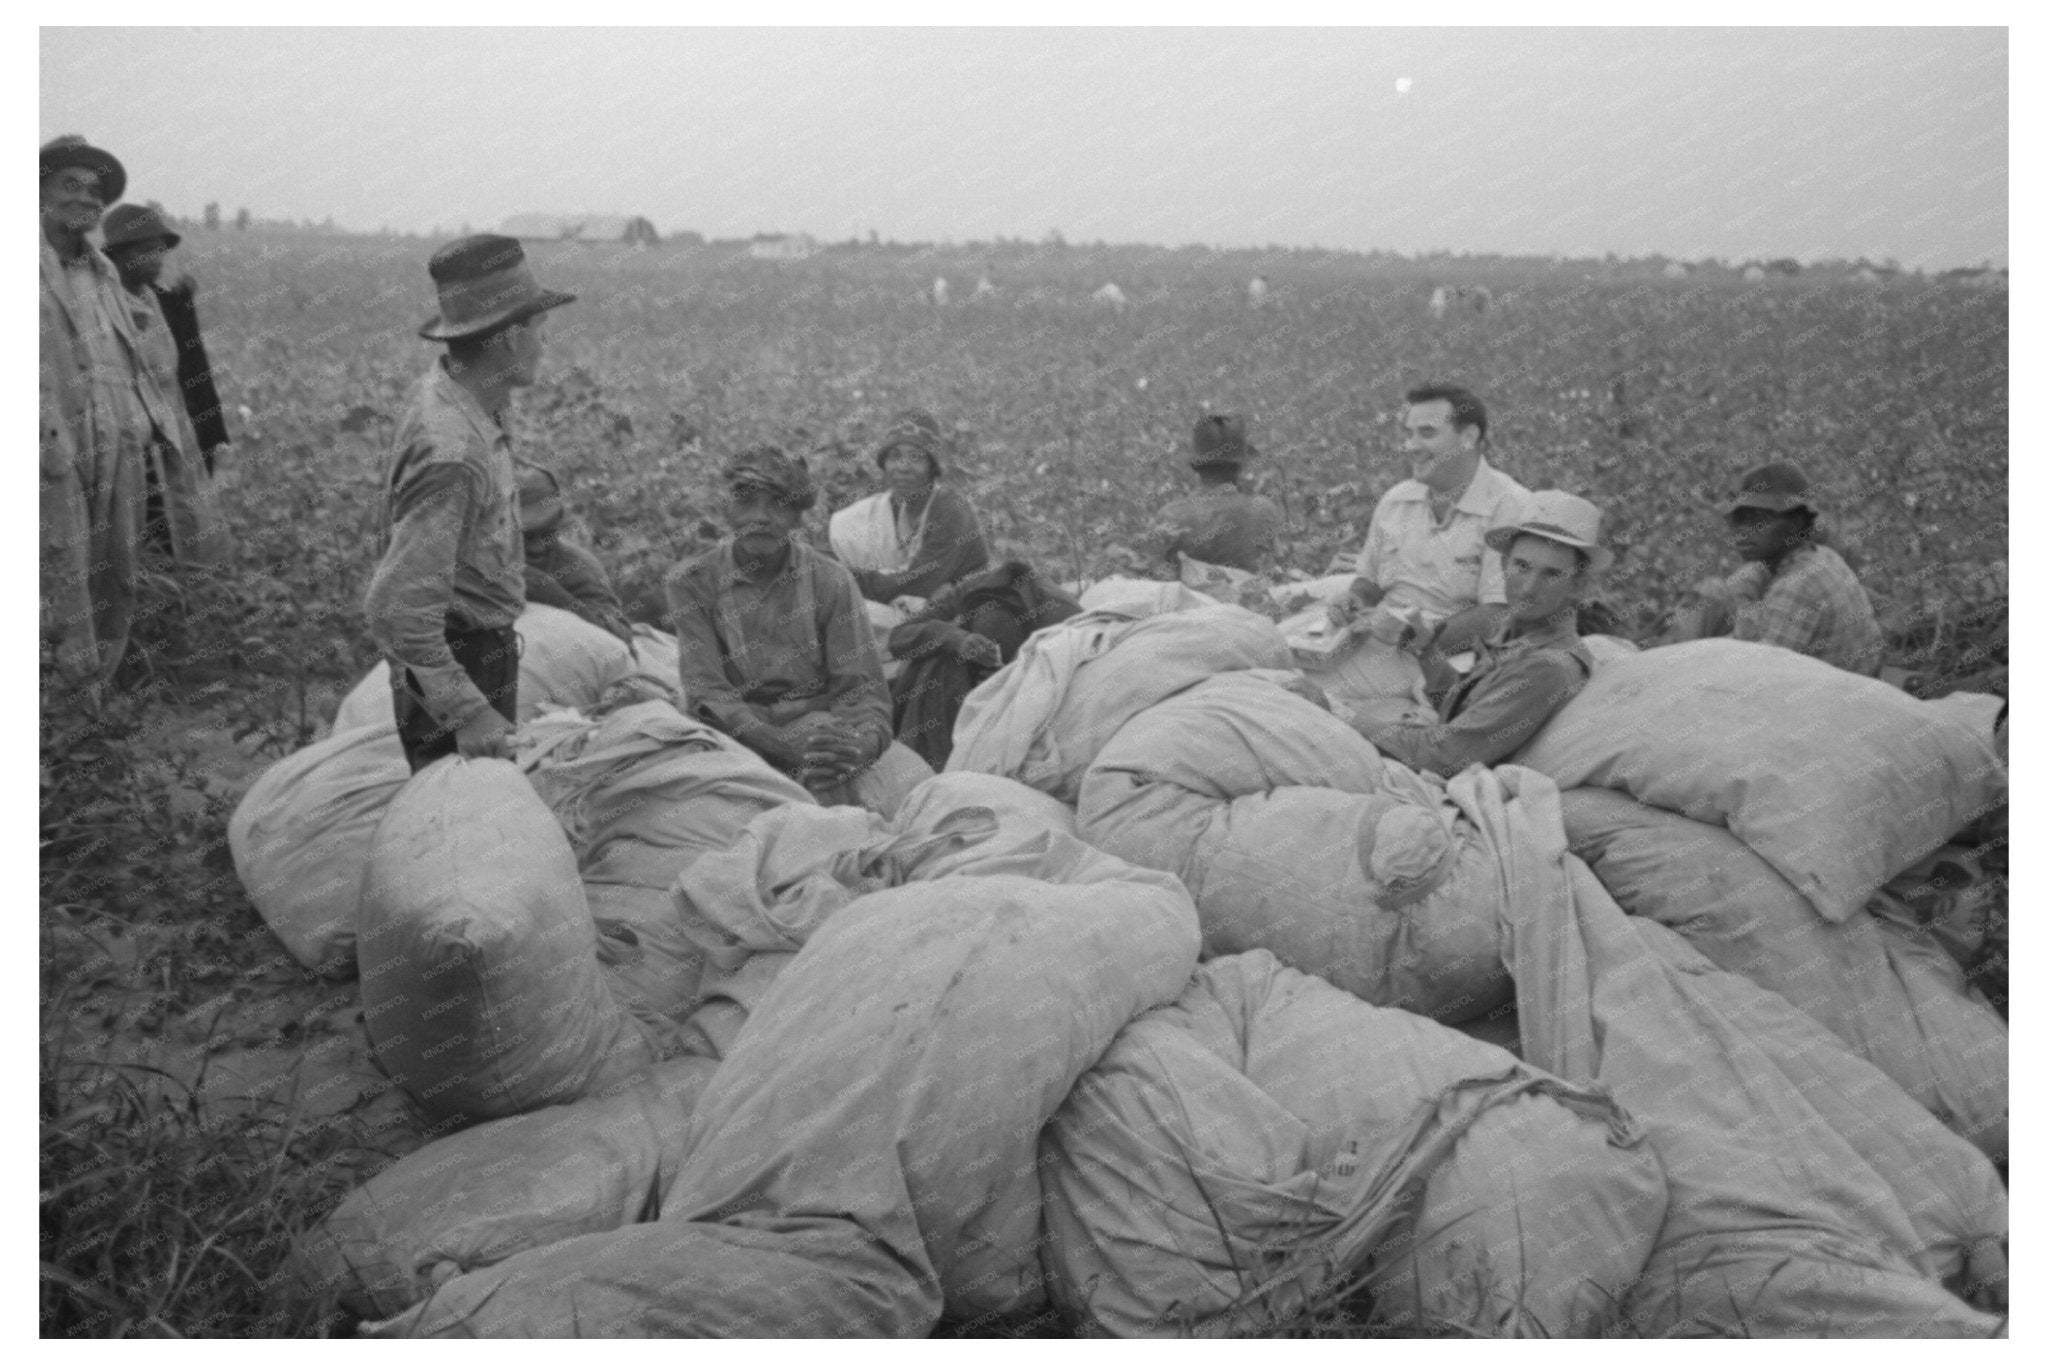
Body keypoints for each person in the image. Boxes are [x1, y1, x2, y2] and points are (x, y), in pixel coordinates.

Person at [363, 234, 576, 772]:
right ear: (506, 338)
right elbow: (398, 607)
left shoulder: (473, 402)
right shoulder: (453, 453)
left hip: (481, 650)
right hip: (457, 660)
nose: (544, 343)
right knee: (459, 825)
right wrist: (467, 713)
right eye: (538, 328)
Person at [40, 135, 227, 700]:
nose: (83, 198)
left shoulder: (102, 277)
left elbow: (152, 355)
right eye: (68, 184)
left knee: (107, 584)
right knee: (51, 582)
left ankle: (84, 711)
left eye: (93, 190)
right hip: (49, 457)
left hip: (113, 457)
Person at [668, 446, 932, 812]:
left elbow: (862, 692)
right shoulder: (693, 582)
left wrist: (858, 746)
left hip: (817, 726)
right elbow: (708, 692)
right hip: (735, 730)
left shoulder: (830, 581)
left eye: (778, 504)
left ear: (796, 516)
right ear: (727, 508)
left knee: (833, 784)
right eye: (746, 501)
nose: (760, 517)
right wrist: (775, 741)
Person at [1354, 490, 1609, 777]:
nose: (1528, 587)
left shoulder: (1546, 666)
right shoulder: (1517, 632)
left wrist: (1347, 719)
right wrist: (1427, 651)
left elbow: (1445, 755)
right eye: (1522, 566)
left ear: (1578, 586)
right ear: (1503, 565)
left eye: (1552, 574)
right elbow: (1463, 707)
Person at [1664, 461, 1883, 676]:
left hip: (1828, 700)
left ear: (1795, 523)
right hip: (1844, 680)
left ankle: (1668, 672)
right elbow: (1748, 578)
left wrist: (1738, 614)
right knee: (1712, 592)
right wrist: (1739, 600)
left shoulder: (1796, 587)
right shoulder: (1819, 555)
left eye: (1758, 520)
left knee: (1709, 608)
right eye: (1737, 519)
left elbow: (1758, 679)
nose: (1742, 531)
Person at [100, 203, 233, 477]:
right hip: (125, 445)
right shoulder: (99, 308)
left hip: (175, 437)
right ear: (117, 256)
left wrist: (211, 436)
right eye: (145, 251)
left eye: (160, 250)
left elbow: (195, 371)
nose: (157, 258)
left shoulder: (170, 306)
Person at [828, 409, 990, 611]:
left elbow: (915, 583)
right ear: (884, 464)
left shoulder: (951, 511)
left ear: (932, 468)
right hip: (914, 614)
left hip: (964, 620)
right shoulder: (884, 509)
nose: (903, 467)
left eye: (916, 457)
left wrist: (841, 580)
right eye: (895, 457)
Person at [1141, 413, 1286, 577]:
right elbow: (1278, 571)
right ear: (1239, 467)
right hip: (1249, 601)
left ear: (1197, 467)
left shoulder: (1170, 516)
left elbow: (1155, 575)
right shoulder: (1262, 509)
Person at [516, 463, 635, 645]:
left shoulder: (577, 564)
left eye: (549, 534)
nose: (538, 547)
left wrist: (558, 598)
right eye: (527, 537)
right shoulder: (478, 563)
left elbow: (622, 638)